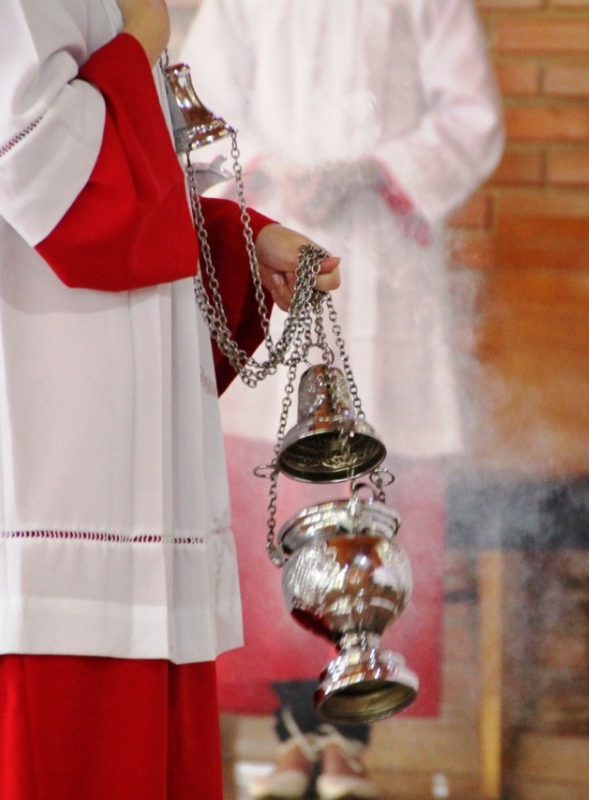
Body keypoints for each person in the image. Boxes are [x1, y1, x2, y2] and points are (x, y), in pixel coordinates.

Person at [0, 0, 340, 798]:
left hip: (85, 485)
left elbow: (47, 177)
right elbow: (53, 177)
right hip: (19, 509)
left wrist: (232, 239)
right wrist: (143, 33)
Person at [179, 0, 504, 798]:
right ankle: (293, 736)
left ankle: (348, 741)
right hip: (276, 235)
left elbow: (471, 116)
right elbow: (200, 104)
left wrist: (374, 171)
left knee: (371, 506)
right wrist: (270, 169)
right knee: (275, 505)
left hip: (382, 260)